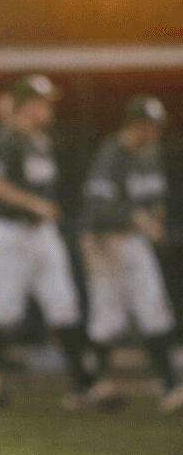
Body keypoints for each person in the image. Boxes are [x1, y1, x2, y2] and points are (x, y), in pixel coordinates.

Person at [0, 74, 104, 409]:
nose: (49, 108)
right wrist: (34, 203)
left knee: (63, 304)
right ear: (26, 105)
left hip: (40, 233)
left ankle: (85, 386)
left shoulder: (39, 140)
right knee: (3, 311)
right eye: (43, 102)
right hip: (9, 231)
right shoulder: (7, 138)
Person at [80, 94, 180, 413]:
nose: (154, 132)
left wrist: (154, 220)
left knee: (153, 308)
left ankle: (170, 387)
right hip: (104, 241)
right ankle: (90, 386)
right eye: (149, 126)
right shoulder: (113, 153)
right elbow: (97, 209)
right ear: (135, 125)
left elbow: (157, 199)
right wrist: (137, 218)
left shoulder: (149, 154)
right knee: (108, 319)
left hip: (134, 242)